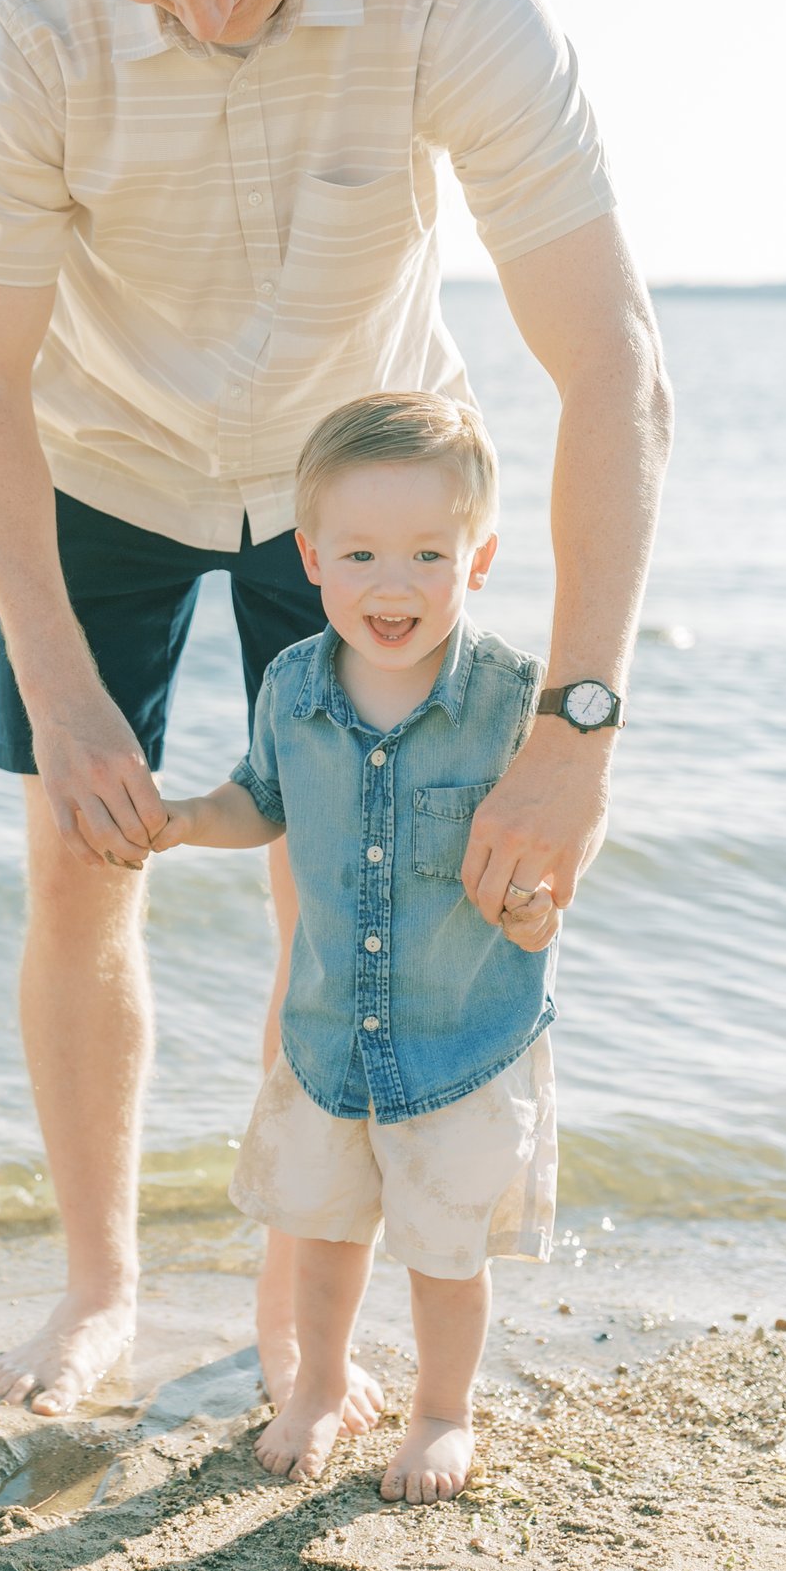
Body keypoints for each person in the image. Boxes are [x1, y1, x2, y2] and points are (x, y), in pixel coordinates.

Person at [0, 0, 669, 1419]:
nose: (207, 9)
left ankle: (294, 1310)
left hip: (362, 485)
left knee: (341, 890)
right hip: (100, 464)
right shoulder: (30, 21)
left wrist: (575, 729)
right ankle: (100, 1286)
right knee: (81, 871)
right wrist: (66, 698)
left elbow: (612, 360)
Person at [154, 394, 561, 1501]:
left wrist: (542, 899)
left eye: (429, 552)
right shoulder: (292, 686)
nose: (394, 583)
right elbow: (260, 800)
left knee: (444, 1251)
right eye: (363, 552)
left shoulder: (516, 699)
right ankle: (318, 1383)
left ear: (477, 558)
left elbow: (562, 823)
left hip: (461, 1040)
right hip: (330, 1036)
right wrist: (191, 817)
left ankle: (440, 1410)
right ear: (312, 556)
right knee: (322, 1234)